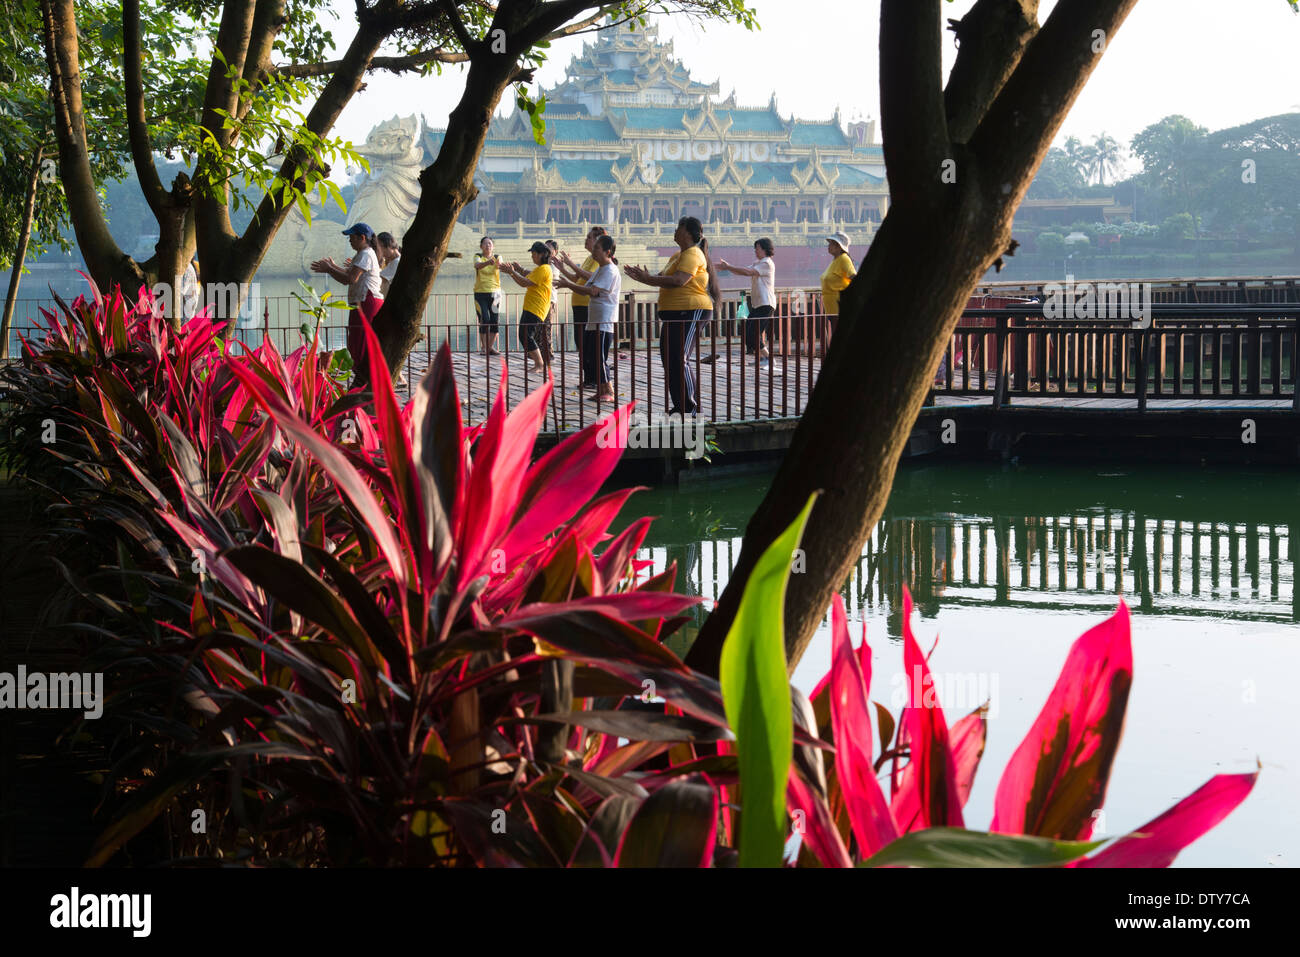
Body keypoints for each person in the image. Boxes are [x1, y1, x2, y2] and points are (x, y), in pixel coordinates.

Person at [624, 216, 711, 415]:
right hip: (673, 314)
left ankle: (691, 408)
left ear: (688, 232)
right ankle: (680, 406)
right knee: (669, 359)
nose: (674, 231)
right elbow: (664, 279)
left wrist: (650, 278)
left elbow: (679, 280)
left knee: (680, 358)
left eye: (678, 228)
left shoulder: (693, 253)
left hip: (691, 311)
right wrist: (645, 278)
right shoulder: (677, 255)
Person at [311, 222, 383, 383]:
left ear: (362, 238)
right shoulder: (363, 253)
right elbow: (350, 274)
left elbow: (350, 279)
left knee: (361, 341)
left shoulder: (366, 254)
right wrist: (332, 266)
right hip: (361, 302)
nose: (350, 241)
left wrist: (329, 269)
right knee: (357, 340)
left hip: (367, 302)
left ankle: (365, 378)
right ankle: (364, 377)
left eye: (352, 237)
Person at [556, 234, 619, 402]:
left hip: (603, 321)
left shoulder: (610, 270)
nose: (594, 251)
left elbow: (593, 291)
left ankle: (609, 390)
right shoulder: (600, 269)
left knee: (599, 356)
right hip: (594, 320)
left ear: (607, 252)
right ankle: (601, 389)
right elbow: (584, 287)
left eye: (597, 248)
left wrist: (568, 284)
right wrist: (567, 281)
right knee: (591, 355)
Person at [718, 237, 775, 360]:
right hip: (758, 305)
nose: (755, 250)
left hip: (766, 304)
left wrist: (728, 267)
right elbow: (742, 271)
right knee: (749, 334)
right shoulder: (758, 263)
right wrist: (724, 267)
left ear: (765, 249)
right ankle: (762, 359)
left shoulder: (767, 263)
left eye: (757, 248)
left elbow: (748, 272)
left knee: (754, 334)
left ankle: (769, 359)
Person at [502, 241, 554, 373]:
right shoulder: (541, 269)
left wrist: (512, 273)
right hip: (531, 307)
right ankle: (539, 362)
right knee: (525, 335)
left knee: (526, 335)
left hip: (536, 308)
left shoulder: (544, 269)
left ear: (542, 254)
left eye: (534, 254)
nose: (532, 256)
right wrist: (518, 270)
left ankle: (539, 363)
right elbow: (529, 275)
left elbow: (525, 282)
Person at [820, 230, 856, 357]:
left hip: (838, 304)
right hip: (831, 305)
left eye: (831, 244)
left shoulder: (844, 259)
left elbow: (854, 277)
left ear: (839, 246)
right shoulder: (835, 260)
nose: (828, 246)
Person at [473, 236, 503, 355]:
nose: (487, 246)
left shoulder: (497, 257)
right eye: (485, 244)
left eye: (490, 244)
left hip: (495, 293)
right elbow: (477, 265)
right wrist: (487, 263)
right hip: (480, 293)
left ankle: (489, 347)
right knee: (484, 319)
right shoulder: (478, 257)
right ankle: (484, 347)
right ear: (481, 246)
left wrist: (497, 263)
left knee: (494, 321)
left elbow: (499, 265)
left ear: (493, 246)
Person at [376, 232, 401, 296]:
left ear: (389, 246)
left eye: (381, 248)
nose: (380, 252)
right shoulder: (393, 261)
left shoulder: (396, 262)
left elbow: (377, 279)